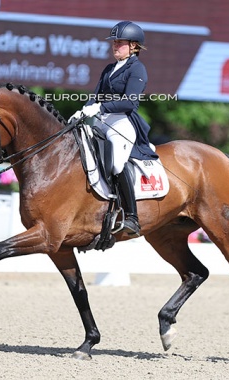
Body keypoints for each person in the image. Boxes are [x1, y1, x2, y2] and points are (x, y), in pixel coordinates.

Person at [69, 21, 158, 236]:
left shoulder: (137, 69)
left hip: (122, 122)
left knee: (117, 164)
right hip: (101, 119)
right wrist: (83, 110)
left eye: (120, 42)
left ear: (134, 46)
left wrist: (100, 107)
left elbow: (129, 103)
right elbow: (96, 96)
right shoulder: (109, 69)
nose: (115, 46)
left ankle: (132, 217)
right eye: (114, 42)